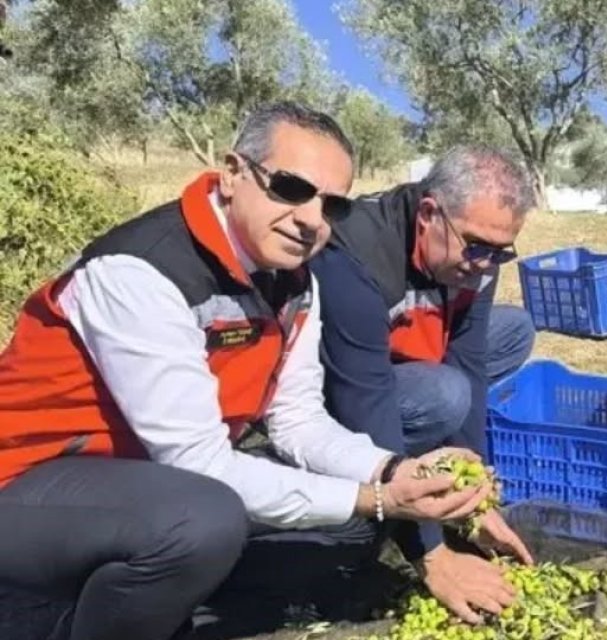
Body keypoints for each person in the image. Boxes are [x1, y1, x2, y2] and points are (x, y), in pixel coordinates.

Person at [0, 102, 511, 640]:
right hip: (26, 480)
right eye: (290, 188)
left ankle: (133, 602)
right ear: (232, 172)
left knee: (349, 530)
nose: (311, 219)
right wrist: (379, 499)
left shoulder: (294, 282)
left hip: (134, 481)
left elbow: (298, 421)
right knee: (201, 520)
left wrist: (394, 471)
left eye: (332, 205)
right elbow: (198, 461)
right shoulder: (143, 273)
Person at [309, 145, 537, 624]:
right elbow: (366, 400)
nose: (485, 264)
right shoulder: (353, 254)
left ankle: (429, 447)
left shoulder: (479, 257)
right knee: (445, 395)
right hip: (336, 386)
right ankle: (405, 467)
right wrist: (431, 551)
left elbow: (472, 362)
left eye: (501, 252)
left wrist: (474, 499)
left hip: (402, 353)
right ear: (430, 214)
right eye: (476, 247)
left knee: (513, 331)